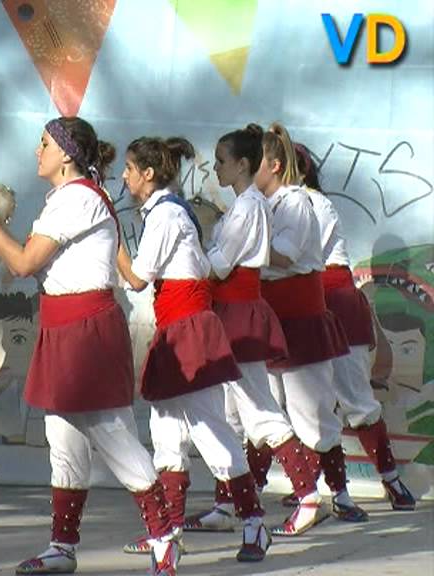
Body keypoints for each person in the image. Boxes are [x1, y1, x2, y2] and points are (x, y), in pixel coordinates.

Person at [0, 117, 177, 575]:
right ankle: (62, 547)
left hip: (86, 330)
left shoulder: (78, 198)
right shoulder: (68, 199)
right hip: (64, 326)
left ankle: (164, 538)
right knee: (62, 439)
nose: (36, 150)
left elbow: (24, 262)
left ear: (66, 153)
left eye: (44, 143)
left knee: (113, 434)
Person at [116, 136, 271, 564]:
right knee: (166, 431)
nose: (125, 176)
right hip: (177, 327)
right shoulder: (170, 212)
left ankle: (254, 521)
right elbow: (200, 266)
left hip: (188, 329)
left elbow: (137, 278)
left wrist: (111, 239)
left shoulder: (166, 214)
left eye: (129, 168)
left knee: (208, 427)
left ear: (148, 174)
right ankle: (171, 531)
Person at [183, 124, 324, 536]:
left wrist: (186, 260)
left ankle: (308, 494)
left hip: (241, 312)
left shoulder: (248, 208)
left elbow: (221, 263)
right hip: (232, 311)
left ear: (243, 164)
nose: (217, 170)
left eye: (222, 162)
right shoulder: (246, 205)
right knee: (232, 413)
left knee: (260, 410)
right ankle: (227, 504)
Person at [253, 123, 368, 522]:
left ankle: (337, 495)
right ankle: (260, 493)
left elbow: (283, 256)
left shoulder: (300, 203)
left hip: (300, 318)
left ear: (274, 164)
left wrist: (238, 247)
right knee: (268, 408)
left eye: (255, 163)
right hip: (273, 318)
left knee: (311, 411)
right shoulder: (264, 205)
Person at [295, 143, 415, 511]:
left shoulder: (313, 204)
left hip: (334, 303)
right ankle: (316, 489)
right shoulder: (279, 205)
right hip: (304, 304)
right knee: (306, 402)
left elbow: (300, 255)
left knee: (355, 400)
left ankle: (391, 481)